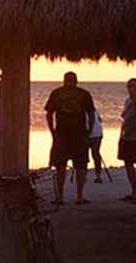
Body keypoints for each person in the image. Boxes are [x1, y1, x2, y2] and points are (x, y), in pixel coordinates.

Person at [44, 71, 95, 205]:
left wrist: (52, 131)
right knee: (77, 166)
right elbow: (91, 115)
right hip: (72, 134)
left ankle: (63, 197)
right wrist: (89, 131)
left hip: (67, 134)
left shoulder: (58, 93)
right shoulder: (82, 94)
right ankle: (77, 196)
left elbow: (49, 114)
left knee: (66, 166)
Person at [89, 108, 109, 183]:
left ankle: (83, 176)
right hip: (98, 134)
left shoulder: (82, 110)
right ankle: (98, 175)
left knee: (84, 155)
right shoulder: (95, 109)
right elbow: (100, 120)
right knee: (96, 154)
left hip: (92, 134)